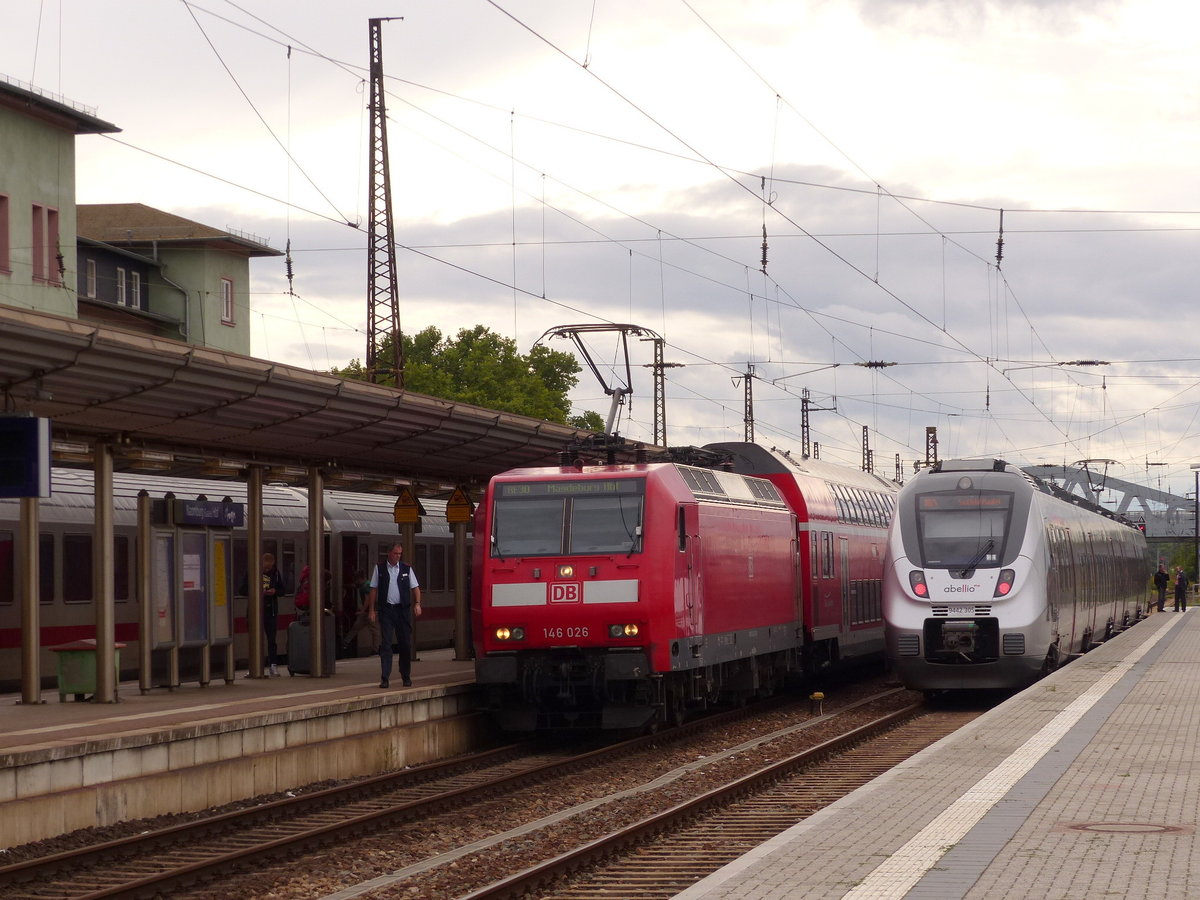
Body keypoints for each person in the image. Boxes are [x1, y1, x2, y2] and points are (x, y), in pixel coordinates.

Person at [366, 542, 422, 688]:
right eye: (396, 553)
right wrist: (372, 610)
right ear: (389, 553)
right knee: (386, 644)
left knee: (405, 644)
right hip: (386, 611)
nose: (398, 556)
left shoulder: (406, 569)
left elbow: (415, 587)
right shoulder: (379, 568)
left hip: (402, 611)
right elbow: (373, 589)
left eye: (400, 554)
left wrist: (417, 603)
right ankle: (385, 678)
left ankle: (406, 676)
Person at [258, 553, 286, 676]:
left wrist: (275, 591)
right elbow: (242, 589)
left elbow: (282, 591)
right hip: (257, 610)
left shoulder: (276, 574)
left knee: (271, 640)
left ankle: (273, 665)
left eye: (270, 567)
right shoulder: (254, 572)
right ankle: (255, 666)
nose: (268, 569)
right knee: (256, 640)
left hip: (271, 611)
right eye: (266, 567)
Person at [341, 569, 380, 656]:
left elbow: (368, 600)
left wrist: (361, 611)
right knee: (361, 627)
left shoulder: (366, 586)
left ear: (361, 578)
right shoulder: (366, 585)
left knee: (372, 630)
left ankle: (375, 649)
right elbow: (354, 586)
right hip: (369, 611)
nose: (356, 582)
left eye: (356, 579)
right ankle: (346, 642)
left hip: (371, 611)